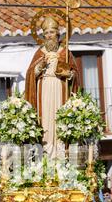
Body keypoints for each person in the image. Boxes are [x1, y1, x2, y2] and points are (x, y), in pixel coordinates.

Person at [25, 14, 79, 157]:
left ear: (57, 33)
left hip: (60, 89)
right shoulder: (39, 53)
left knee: (59, 120)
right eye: (46, 33)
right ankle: (46, 152)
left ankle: (60, 153)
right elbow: (31, 74)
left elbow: (75, 73)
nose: (49, 36)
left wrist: (70, 75)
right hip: (43, 90)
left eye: (51, 32)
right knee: (46, 122)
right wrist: (38, 68)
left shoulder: (65, 53)